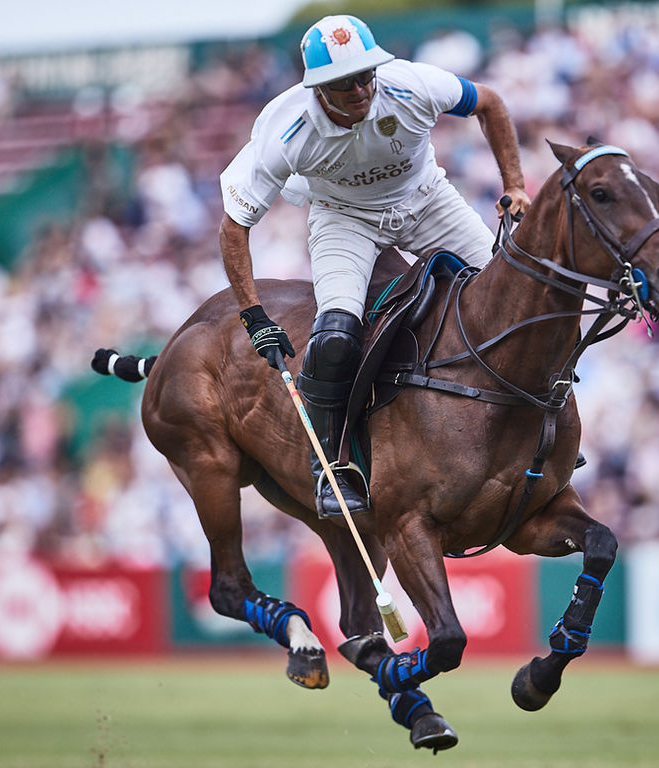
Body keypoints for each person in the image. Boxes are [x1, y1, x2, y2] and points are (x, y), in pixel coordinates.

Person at [219, 15, 530, 518]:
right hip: (346, 219)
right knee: (337, 335)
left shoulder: (411, 84)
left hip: (427, 199)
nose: (362, 89)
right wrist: (254, 316)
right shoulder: (286, 131)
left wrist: (514, 183)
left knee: (512, 301)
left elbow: (489, 102)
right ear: (318, 88)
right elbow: (234, 226)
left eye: (366, 75)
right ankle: (335, 466)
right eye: (345, 83)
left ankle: (540, 426)